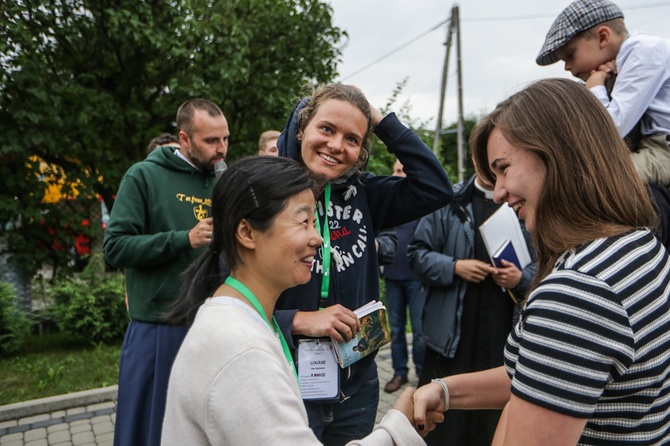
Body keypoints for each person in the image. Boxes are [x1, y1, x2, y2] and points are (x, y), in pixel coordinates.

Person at [412, 78, 670, 445]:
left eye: (503, 167)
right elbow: (552, 374)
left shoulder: (577, 291)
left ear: (557, 154)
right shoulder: (638, 245)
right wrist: (445, 390)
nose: (498, 193)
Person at [161, 156, 439, 445]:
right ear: (247, 233)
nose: (318, 238)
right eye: (303, 221)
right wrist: (397, 431)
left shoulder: (239, 319)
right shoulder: (241, 350)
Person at [274, 83, 453, 445]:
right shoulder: (263, 193)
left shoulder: (365, 194)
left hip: (357, 382)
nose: (337, 145)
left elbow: (436, 187)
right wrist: (298, 320)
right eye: (326, 128)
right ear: (301, 128)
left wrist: (382, 120)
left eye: (352, 138)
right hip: (286, 380)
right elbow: (221, 293)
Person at [103, 98, 229, 446]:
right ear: (184, 139)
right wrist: (182, 240)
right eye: (211, 141)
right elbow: (114, 248)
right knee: (150, 432)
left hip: (215, 324)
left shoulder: (224, 180)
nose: (221, 150)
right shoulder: (143, 176)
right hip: (160, 328)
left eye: (225, 139)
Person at [407, 171, 536, 446]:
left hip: (503, 334)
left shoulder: (527, 201)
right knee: (444, 423)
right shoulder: (448, 200)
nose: (494, 171)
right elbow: (417, 254)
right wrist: (454, 266)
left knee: (492, 422)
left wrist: (521, 278)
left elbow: (550, 263)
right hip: (451, 337)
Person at [536, 0, 670, 186]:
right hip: (654, 146)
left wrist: (595, 87)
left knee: (597, 183)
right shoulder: (626, 59)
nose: (567, 67)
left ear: (603, 37)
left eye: (570, 54)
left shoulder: (643, 50)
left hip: (663, 149)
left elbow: (610, 129)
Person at [382, 159, 425, 394]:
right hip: (392, 276)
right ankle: (400, 373)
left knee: (419, 330)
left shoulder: (420, 201)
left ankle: (421, 372)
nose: (399, 174)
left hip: (418, 277)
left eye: (403, 170)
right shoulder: (387, 201)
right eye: (396, 169)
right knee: (396, 329)